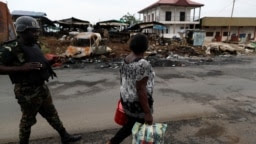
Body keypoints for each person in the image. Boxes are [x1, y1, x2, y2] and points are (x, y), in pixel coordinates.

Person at [0, 16, 82, 144]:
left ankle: (65, 136)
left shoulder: (34, 44)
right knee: (28, 120)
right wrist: (21, 69)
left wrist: (50, 61)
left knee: (51, 113)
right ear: (22, 31)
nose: (36, 34)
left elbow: (38, 61)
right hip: (26, 90)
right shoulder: (11, 48)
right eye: (33, 31)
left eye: (37, 31)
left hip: (41, 87)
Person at [107, 33, 155, 144]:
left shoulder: (125, 60)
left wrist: (123, 99)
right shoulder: (143, 64)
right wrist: (147, 112)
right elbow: (141, 89)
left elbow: (123, 81)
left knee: (131, 125)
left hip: (127, 101)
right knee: (138, 127)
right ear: (145, 47)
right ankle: (113, 142)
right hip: (139, 105)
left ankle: (113, 142)